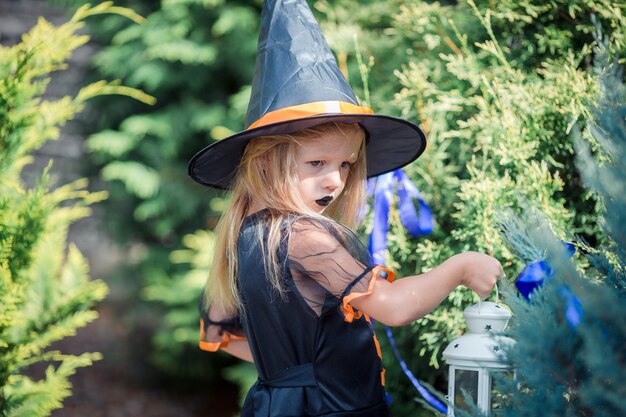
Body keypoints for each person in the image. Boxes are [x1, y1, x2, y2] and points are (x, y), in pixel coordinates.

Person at [187, 1, 503, 416]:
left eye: (346, 165)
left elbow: (222, 333)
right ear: (265, 161)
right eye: (316, 163)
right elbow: (393, 306)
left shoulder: (247, 233)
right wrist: (459, 267)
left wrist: (291, 374)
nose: (336, 180)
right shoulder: (302, 236)